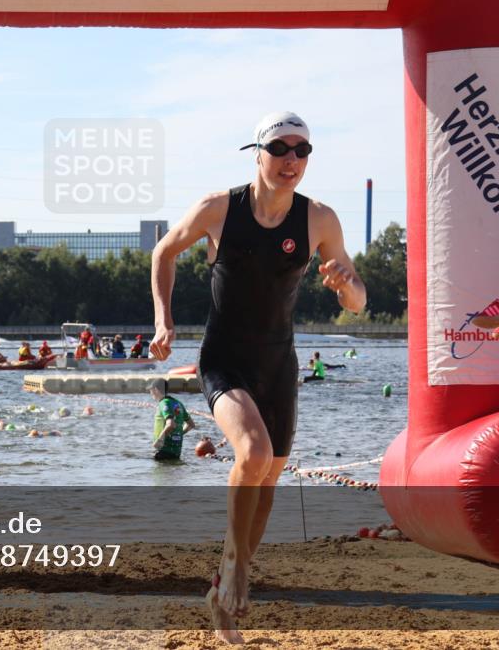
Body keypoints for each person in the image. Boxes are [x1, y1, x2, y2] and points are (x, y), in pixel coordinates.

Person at [149, 111, 365, 643]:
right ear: (258, 153)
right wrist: (163, 318)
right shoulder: (219, 208)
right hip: (224, 358)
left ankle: (221, 590)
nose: (291, 159)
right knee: (253, 453)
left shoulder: (320, 219)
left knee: (267, 483)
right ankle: (236, 567)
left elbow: (359, 302)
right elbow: (164, 250)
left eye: (302, 151)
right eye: (280, 148)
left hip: (279, 366)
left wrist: (344, 285)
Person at [148, 379, 196, 461]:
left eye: (150, 390)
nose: (150, 393)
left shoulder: (164, 403)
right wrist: (179, 434)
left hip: (163, 450)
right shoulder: (178, 403)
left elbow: (170, 424)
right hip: (176, 451)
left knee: (159, 473)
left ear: (155, 389)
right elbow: (191, 425)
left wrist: (160, 440)